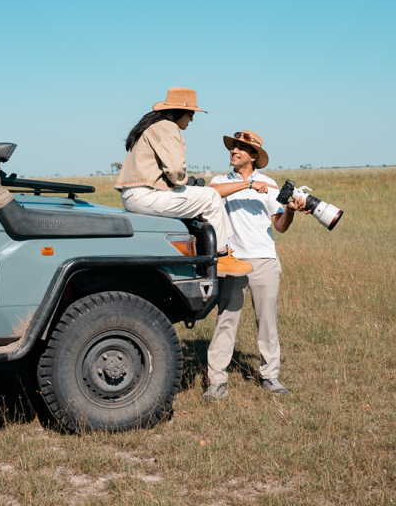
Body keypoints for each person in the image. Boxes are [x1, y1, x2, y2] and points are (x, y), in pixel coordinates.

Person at [202, 129, 308, 402]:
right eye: (233, 147)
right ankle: (217, 381)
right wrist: (248, 186)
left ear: (253, 156)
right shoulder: (220, 181)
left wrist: (291, 213)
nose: (233, 151)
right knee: (226, 320)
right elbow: (211, 194)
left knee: (267, 321)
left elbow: (280, 226)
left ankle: (270, 376)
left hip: (265, 261)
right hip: (232, 260)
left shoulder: (269, 184)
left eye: (240, 148)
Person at [115, 88, 253, 275]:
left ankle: (209, 251)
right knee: (211, 196)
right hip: (146, 195)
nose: (192, 120)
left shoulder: (152, 126)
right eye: (191, 114)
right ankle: (221, 256)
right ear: (179, 112)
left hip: (137, 194)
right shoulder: (167, 127)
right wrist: (182, 182)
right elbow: (175, 169)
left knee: (203, 196)